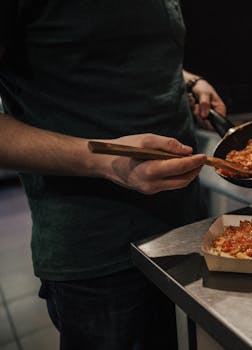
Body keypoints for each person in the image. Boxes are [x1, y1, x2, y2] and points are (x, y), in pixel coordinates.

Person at [0, 1, 226, 349]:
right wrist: (102, 161)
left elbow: (115, 56)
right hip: (98, 251)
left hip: (182, 232)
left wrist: (189, 81)